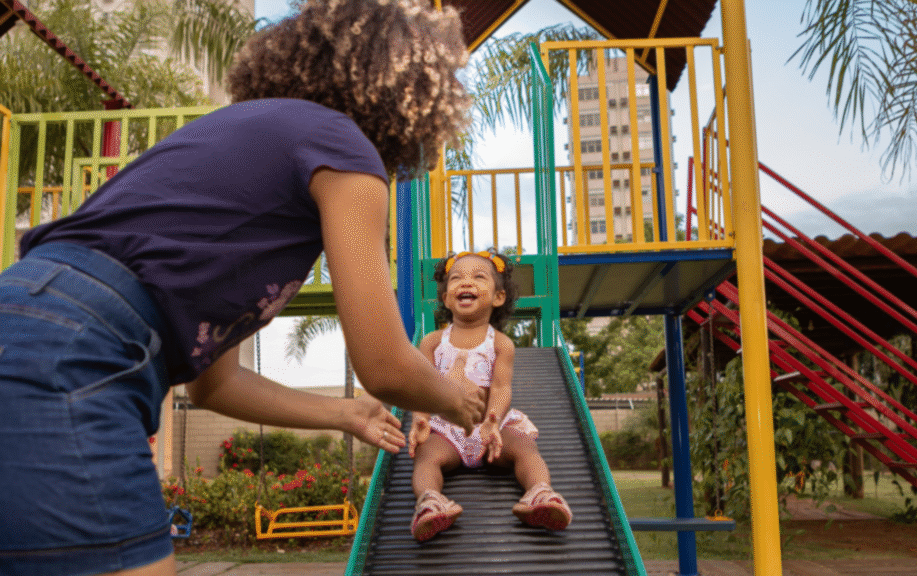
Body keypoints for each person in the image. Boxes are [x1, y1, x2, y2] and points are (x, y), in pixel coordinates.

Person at [0, 1, 486, 574]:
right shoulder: (342, 146)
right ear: (404, 96)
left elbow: (217, 387)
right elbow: (384, 364)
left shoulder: (236, 139)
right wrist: (456, 400)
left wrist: (346, 414)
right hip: (79, 346)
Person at [406, 251, 572, 542]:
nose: (465, 282)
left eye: (478, 277)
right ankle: (430, 501)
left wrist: (493, 421)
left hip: (490, 430)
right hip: (447, 432)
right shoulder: (432, 342)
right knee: (426, 456)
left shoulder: (501, 344)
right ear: (446, 298)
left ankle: (540, 493)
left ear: (498, 297)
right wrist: (420, 419)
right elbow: (422, 387)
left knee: (525, 447)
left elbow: (501, 387)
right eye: (456, 278)